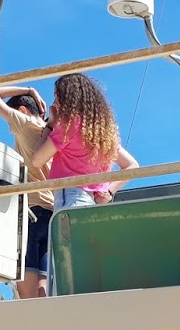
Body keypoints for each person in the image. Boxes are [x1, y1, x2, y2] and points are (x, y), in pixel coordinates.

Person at [25, 73, 140, 278]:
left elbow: (37, 160)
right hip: (92, 203)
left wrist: (50, 125)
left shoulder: (67, 126)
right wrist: (109, 192)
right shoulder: (101, 132)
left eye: (57, 97)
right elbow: (132, 165)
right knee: (84, 262)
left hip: (69, 199)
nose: (54, 103)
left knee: (64, 266)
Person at [0, 86, 55, 299]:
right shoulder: (51, 133)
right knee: (43, 284)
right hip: (51, 211)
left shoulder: (25, 123)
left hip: (31, 212)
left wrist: (29, 90)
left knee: (26, 289)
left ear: (22, 110)